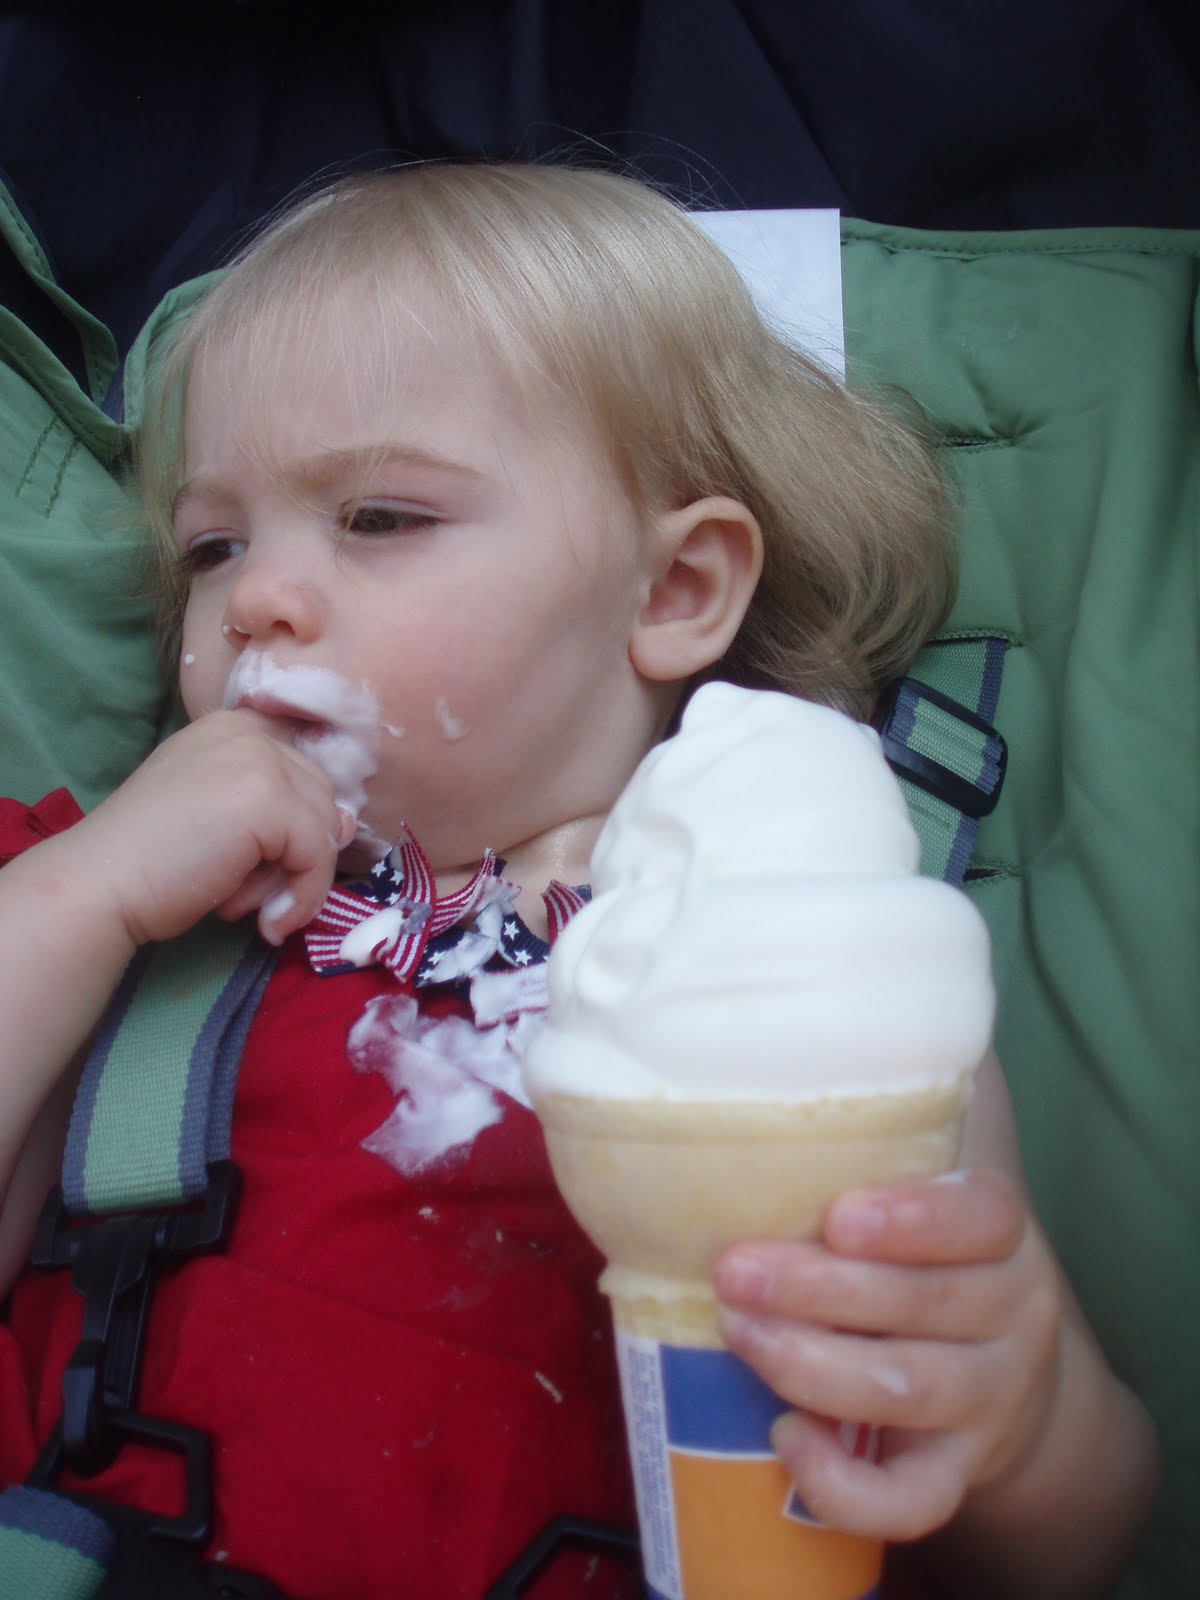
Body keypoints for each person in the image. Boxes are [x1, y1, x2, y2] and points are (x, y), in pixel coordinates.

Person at [0, 164, 1157, 1600]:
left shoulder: (806, 958)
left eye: (378, 518)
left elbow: (1079, 1547)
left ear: (674, 591)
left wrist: (1021, 1424)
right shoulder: (104, 904)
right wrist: (89, 892)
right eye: (213, 545)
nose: (255, 601)